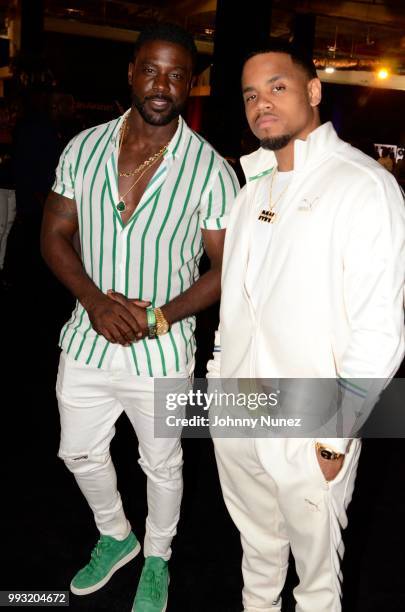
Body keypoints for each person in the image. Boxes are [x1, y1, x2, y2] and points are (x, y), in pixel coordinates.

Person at [41, 22, 238, 612]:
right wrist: (96, 302)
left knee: (162, 463)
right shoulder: (82, 148)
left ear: (192, 84)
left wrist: (160, 316)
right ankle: (116, 535)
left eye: (178, 74)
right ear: (131, 72)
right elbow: (53, 235)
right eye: (152, 69)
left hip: (163, 349)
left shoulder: (211, 170)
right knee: (78, 451)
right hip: (85, 341)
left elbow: (229, 268)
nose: (162, 84)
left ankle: (158, 557)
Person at [207, 41, 405, 612]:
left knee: (318, 584)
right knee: (258, 552)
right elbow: (237, 307)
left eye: (277, 87)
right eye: (250, 94)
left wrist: (336, 433)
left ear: (314, 92)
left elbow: (379, 331)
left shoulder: (362, 185)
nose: (261, 103)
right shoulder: (253, 192)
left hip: (311, 424)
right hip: (240, 412)